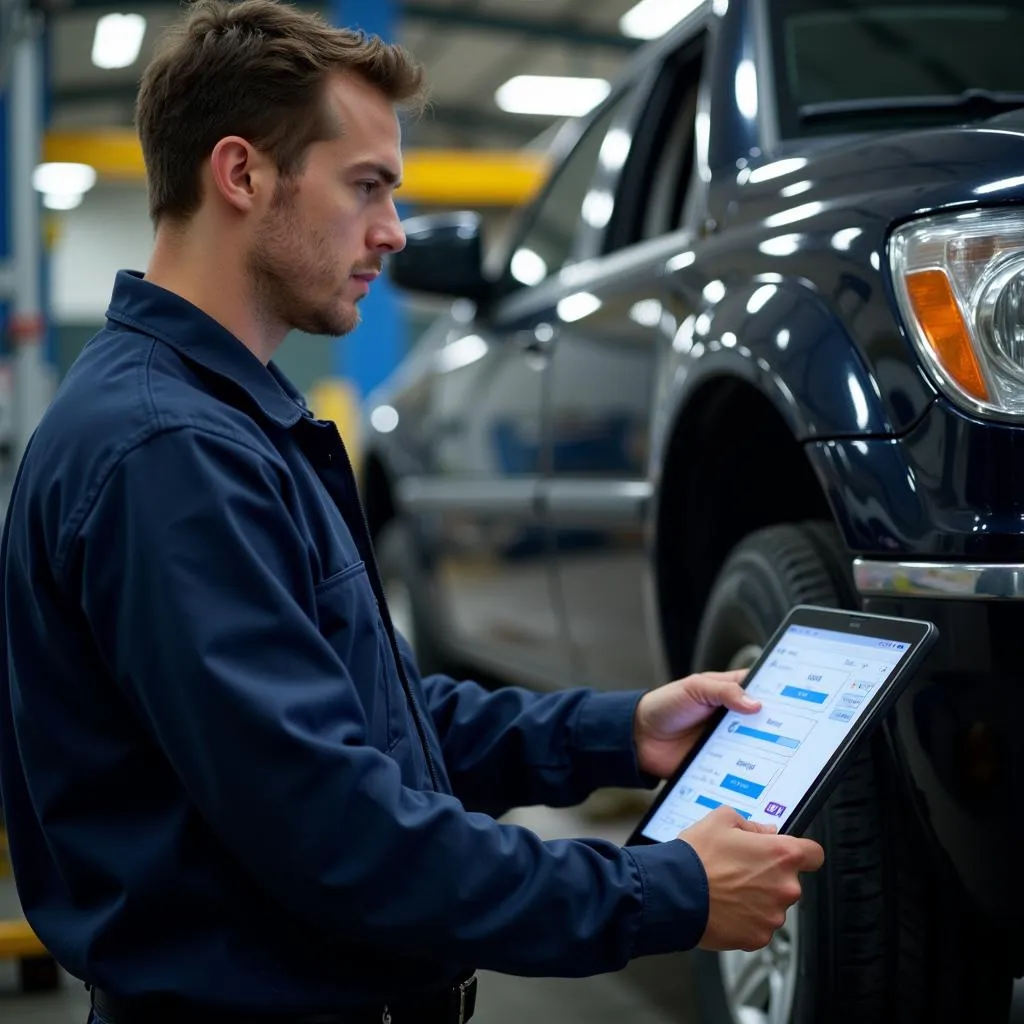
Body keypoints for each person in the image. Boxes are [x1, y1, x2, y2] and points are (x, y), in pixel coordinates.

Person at [0, 2, 824, 1022]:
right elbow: (338, 830)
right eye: (367, 187)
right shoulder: (171, 454)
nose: (393, 230)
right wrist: (662, 890)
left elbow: (360, 722)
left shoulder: (230, 422)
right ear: (241, 174)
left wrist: (621, 731)